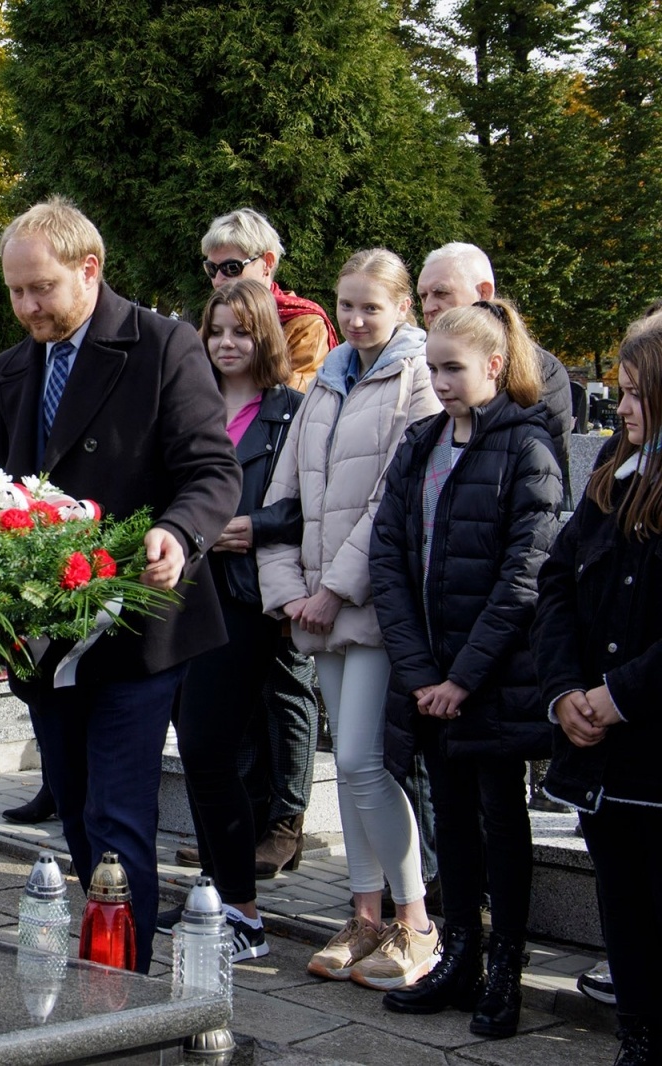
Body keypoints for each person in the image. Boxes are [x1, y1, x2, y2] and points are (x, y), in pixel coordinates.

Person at [0, 197, 241, 972]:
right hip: (47, 637)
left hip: (135, 626)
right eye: (16, 292)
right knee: (76, 813)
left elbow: (210, 468)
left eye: (42, 289)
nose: (27, 307)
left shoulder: (163, 347)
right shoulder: (10, 370)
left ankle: (119, 994)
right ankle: (94, 961)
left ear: (89, 270)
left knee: (117, 814)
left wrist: (178, 531)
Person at [370, 299, 560, 1036]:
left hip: (493, 679)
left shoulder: (527, 448)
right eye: (433, 368)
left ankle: (505, 968)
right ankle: (460, 956)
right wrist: (423, 674)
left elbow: (524, 577)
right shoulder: (420, 442)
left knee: (500, 821)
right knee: (450, 816)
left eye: (454, 369)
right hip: (430, 675)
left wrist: (463, 679)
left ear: (492, 365)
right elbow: (389, 556)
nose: (440, 382)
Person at [258, 248, 442, 988]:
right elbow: (283, 498)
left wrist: (333, 588)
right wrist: (288, 590)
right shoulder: (326, 381)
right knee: (349, 764)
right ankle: (364, 915)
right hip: (314, 606)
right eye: (348, 305)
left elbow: (393, 505)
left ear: (402, 308)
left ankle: (415, 921)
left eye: (373, 305)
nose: (358, 319)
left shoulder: (418, 381)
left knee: (366, 761)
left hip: (371, 603)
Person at [533, 317, 662, 1066]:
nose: (624, 407)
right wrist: (564, 691)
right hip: (604, 753)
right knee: (625, 912)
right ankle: (637, 1038)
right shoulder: (617, 466)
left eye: (641, 394)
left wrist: (619, 694)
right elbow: (558, 581)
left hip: (646, 738)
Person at [165, 279, 305, 961]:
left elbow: (314, 504)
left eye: (241, 332)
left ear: (265, 339)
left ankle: (244, 914)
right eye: (216, 329)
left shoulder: (290, 413)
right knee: (196, 752)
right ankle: (217, 892)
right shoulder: (190, 405)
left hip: (242, 598)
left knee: (210, 748)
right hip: (178, 593)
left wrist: (253, 525)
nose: (225, 343)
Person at [416, 243, 573, 495]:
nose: (428, 307)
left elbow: (540, 477)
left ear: (483, 292)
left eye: (441, 293)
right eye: (423, 296)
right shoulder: (417, 360)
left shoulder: (541, 370)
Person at [201, 208, 339, 390]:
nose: (218, 280)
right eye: (212, 269)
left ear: (267, 263)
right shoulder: (216, 317)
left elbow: (300, 395)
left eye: (231, 268)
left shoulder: (305, 324)